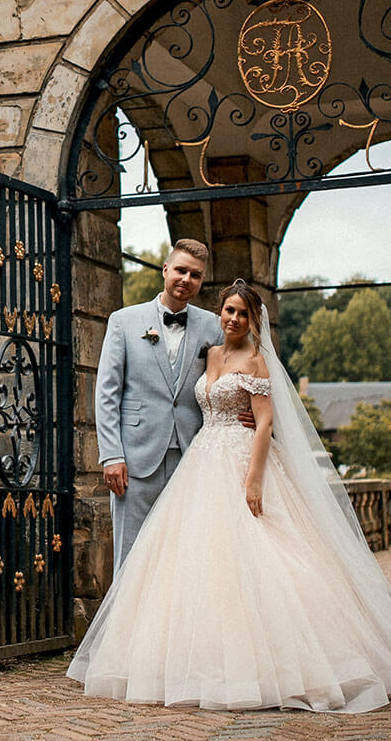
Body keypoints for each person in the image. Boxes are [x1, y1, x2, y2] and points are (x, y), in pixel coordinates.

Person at [67, 281, 391, 711]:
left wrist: (254, 479)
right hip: (201, 459)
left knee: (261, 556)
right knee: (196, 563)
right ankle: (190, 659)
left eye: (243, 314)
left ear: (253, 320)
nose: (233, 319)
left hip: (242, 461)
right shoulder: (207, 351)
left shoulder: (257, 361)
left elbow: (263, 424)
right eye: (228, 311)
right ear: (219, 312)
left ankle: (277, 662)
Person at [95, 239, 224, 573]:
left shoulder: (213, 326)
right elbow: (108, 392)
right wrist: (112, 456)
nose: (186, 279)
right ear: (165, 270)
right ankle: (126, 627)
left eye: (195, 275)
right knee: (132, 556)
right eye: (180, 270)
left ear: (201, 280)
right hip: (135, 461)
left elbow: (230, 378)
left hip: (193, 457)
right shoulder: (124, 321)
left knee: (188, 555)